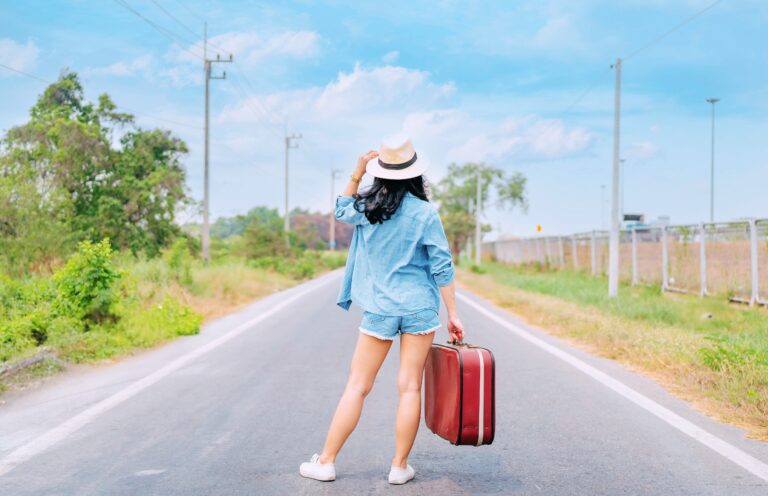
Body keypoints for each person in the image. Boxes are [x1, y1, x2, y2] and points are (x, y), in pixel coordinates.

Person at [299, 137, 465, 485]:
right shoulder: (425, 213)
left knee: (357, 386)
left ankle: (326, 462)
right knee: (410, 388)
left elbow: (341, 209)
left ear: (381, 173)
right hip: (419, 307)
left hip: (380, 308)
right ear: (415, 174)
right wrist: (453, 314)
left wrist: (356, 172)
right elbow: (442, 266)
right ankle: (399, 467)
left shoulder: (367, 209)